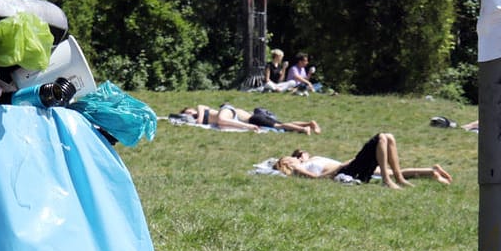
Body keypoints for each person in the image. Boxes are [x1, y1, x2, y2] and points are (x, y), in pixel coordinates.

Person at [273, 133, 449, 188]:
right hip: (345, 170)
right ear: (287, 164)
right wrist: (341, 167)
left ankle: (429, 172)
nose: (296, 157)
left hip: (348, 167)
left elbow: (304, 154)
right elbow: (318, 179)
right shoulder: (298, 169)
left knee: (388, 138)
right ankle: (389, 182)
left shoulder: (307, 160)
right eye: (290, 158)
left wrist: (302, 155)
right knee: (381, 138)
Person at [171, 103, 320, 134]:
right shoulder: (198, 116)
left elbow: (200, 111)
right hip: (248, 118)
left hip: (230, 113)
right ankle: (308, 123)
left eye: (187, 112)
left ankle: (303, 128)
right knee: (280, 124)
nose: (188, 114)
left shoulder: (199, 109)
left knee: (279, 126)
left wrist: (192, 117)